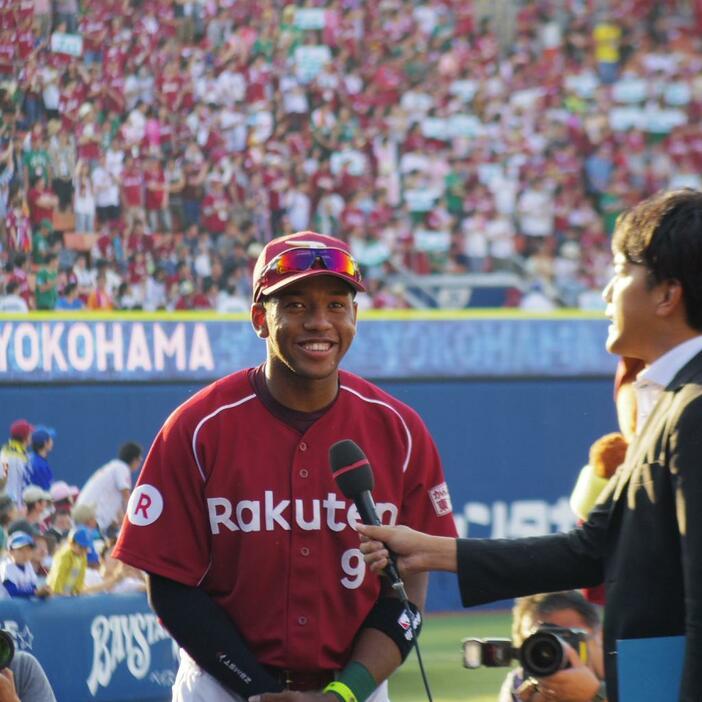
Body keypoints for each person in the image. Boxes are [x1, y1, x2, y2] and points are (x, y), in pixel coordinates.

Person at [359, 189, 702, 702]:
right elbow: (588, 551)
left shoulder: (693, 408)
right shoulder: (671, 403)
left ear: (666, 294)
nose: (606, 293)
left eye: (620, 271)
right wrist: (428, 550)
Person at [113, 231, 458, 702]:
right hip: (222, 688)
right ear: (260, 318)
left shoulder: (400, 431)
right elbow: (170, 586)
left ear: (355, 315)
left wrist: (342, 693)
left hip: (353, 690)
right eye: (295, 306)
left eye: (337, 305)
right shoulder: (196, 428)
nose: (320, 323)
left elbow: (408, 592)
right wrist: (256, 691)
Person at [498, 591, 605, 702]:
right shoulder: (520, 683)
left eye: (567, 638)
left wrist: (594, 694)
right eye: (539, 642)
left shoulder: (621, 674)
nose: (558, 651)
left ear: (600, 635)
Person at [74, 442, 143, 533]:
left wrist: (124, 526)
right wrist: (135, 520)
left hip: (82, 509)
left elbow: (118, 509)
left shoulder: (113, 467)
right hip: (90, 514)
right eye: (140, 460)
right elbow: (126, 497)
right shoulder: (122, 468)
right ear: (135, 460)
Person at [0, 532, 50, 599]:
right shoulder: (5, 567)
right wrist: (36, 592)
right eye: (20, 550)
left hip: (21, 606)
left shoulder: (28, 565)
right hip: (6, 606)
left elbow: (33, 586)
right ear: (10, 552)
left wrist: (43, 591)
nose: (25, 553)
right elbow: (13, 592)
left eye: (28, 550)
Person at [46, 526, 92, 596]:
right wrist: (58, 594)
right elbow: (58, 576)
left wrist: (77, 591)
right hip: (56, 594)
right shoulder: (64, 555)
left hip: (70, 595)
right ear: (71, 543)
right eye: (81, 547)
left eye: (86, 547)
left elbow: (81, 576)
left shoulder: (83, 556)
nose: (84, 550)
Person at [0, 420, 33, 508]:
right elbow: (26, 481)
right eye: (30, 434)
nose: (31, 437)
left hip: (6, 504)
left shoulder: (4, 452)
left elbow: (3, 477)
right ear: (25, 437)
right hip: (17, 505)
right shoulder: (22, 458)